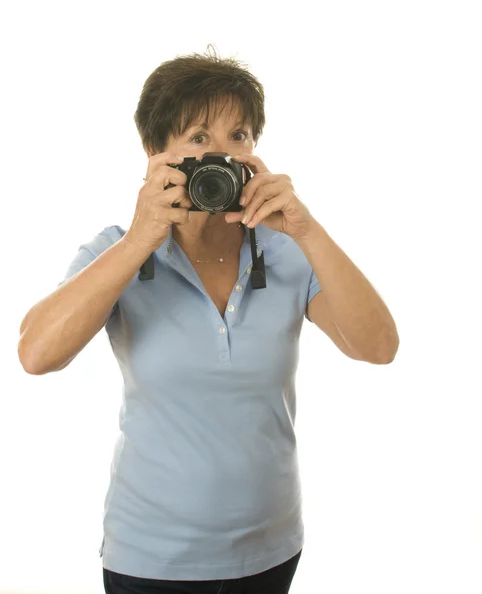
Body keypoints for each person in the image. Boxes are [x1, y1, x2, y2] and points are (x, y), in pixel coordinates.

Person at [18, 46, 398, 594]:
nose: (223, 155)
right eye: (199, 138)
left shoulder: (288, 252)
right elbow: (36, 355)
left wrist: (307, 230)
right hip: (150, 560)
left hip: (271, 550)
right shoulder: (116, 252)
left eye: (239, 137)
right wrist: (140, 239)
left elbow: (378, 346)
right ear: (155, 152)